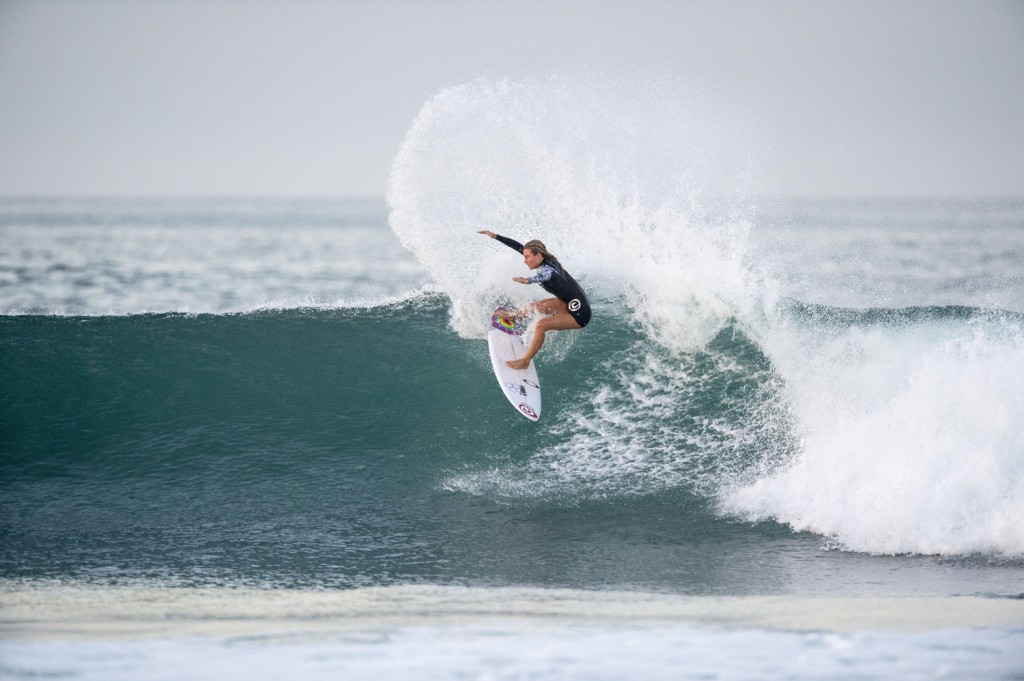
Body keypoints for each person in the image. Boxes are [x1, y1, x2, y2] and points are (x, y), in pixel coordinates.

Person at [478, 230, 591, 370]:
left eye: (527, 257)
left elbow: (545, 276)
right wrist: (496, 236)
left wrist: (527, 280)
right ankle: (512, 317)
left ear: (538, 255)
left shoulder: (547, 271)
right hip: (569, 302)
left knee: (541, 325)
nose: (524, 260)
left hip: (580, 314)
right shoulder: (545, 259)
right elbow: (518, 246)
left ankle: (525, 361)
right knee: (533, 306)